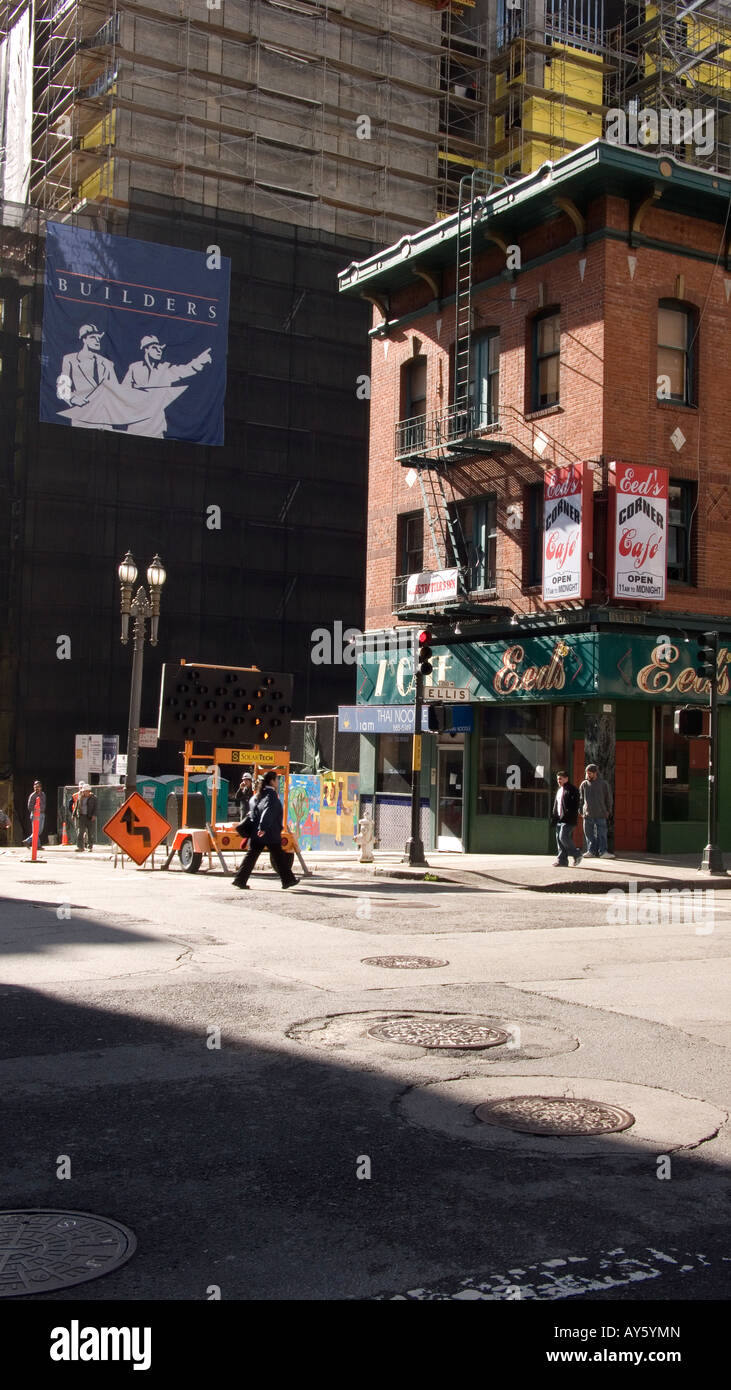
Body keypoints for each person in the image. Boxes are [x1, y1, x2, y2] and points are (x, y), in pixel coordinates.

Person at [231, 770, 297, 890]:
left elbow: (252, 806)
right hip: (269, 833)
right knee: (279, 857)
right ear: (272, 781)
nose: (278, 782)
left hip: (258, 833)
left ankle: (240, 879)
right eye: (276, 780)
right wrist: (263, 827)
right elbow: (268, 812)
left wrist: (259, 827)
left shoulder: (259, 795)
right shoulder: (271, 796)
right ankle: (288, 880)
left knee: (252, 857)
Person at [56, 324, 118, 415]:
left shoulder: (107, 363)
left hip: (103, 415)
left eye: (99, 338)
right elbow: (62, 388)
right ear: (84, 339)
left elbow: (115, 390)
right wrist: (73, 399)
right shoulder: (70, 359)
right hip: (82, 414)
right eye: (93, 337)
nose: (97, 341)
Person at [580, 763, 614, 858]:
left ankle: (603, 852)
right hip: (587, 814)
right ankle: (591, 851)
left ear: (595, 773)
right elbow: (581, 798)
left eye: (590, 773)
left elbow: (609, 799)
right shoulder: (584, 784)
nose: (588, 775)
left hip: (601, 814)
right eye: (587, 773)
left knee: (602, 834)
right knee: (589, 834)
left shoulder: (603, 784)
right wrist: (580, 811)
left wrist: (608, 811)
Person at [550, 770, 583, 867]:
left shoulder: (572, 789)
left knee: (563, 837)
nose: (558, 781)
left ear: (566, 778)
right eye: (557, 779)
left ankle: (577, 854)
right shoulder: (559, 790)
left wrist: (568, 815)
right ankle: (562, 861)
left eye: (560, 778)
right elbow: (556, 805)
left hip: (568, 820)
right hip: (559, 819)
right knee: (559, 839)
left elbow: (575, 805)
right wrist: (554, 817)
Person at [24, 780, 46, 846]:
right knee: (36, 830)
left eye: (38, 786)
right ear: (34, 787)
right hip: (35, 814)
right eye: (35, 786)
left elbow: (44, 803)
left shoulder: (43, 794)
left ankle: (29, 841)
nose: (37, 788)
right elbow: (29, 807)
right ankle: (35, 844)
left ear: (41, 787)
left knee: (40, 830)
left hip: (42, 814)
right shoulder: (32, 796)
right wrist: (36, 810)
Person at [77, 784, 97, 852]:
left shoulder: (93, 798)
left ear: (88, 791)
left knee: (90, 832)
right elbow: (77, 806)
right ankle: (80, 847)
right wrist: (75, 814)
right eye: (84, 791)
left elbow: (96, 807)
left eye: (86, 791)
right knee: (80, 832)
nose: (85, 793)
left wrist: (94, 815)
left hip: (90, 817)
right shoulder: (80, 797)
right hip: (82, 816)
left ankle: (90, 847)